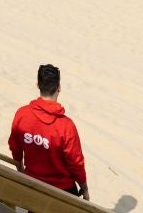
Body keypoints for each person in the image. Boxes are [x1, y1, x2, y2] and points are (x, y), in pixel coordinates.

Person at [8, 64, 88, 201]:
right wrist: (84, 187)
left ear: (38, 85)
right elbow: (76, 162)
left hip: (32, 183)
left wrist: (20, 168)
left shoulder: (22, 114)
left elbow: (15, 146)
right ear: (59, 88)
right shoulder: (66, 125)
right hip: (62, 189)